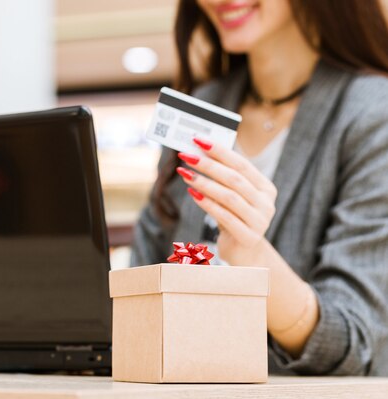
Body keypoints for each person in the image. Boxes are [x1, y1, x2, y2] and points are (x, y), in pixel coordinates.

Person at [131, 0, 388, 376]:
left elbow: (356, 344)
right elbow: (146, 269)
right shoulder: (201, 104)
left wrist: (253, 256)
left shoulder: (372, 112)